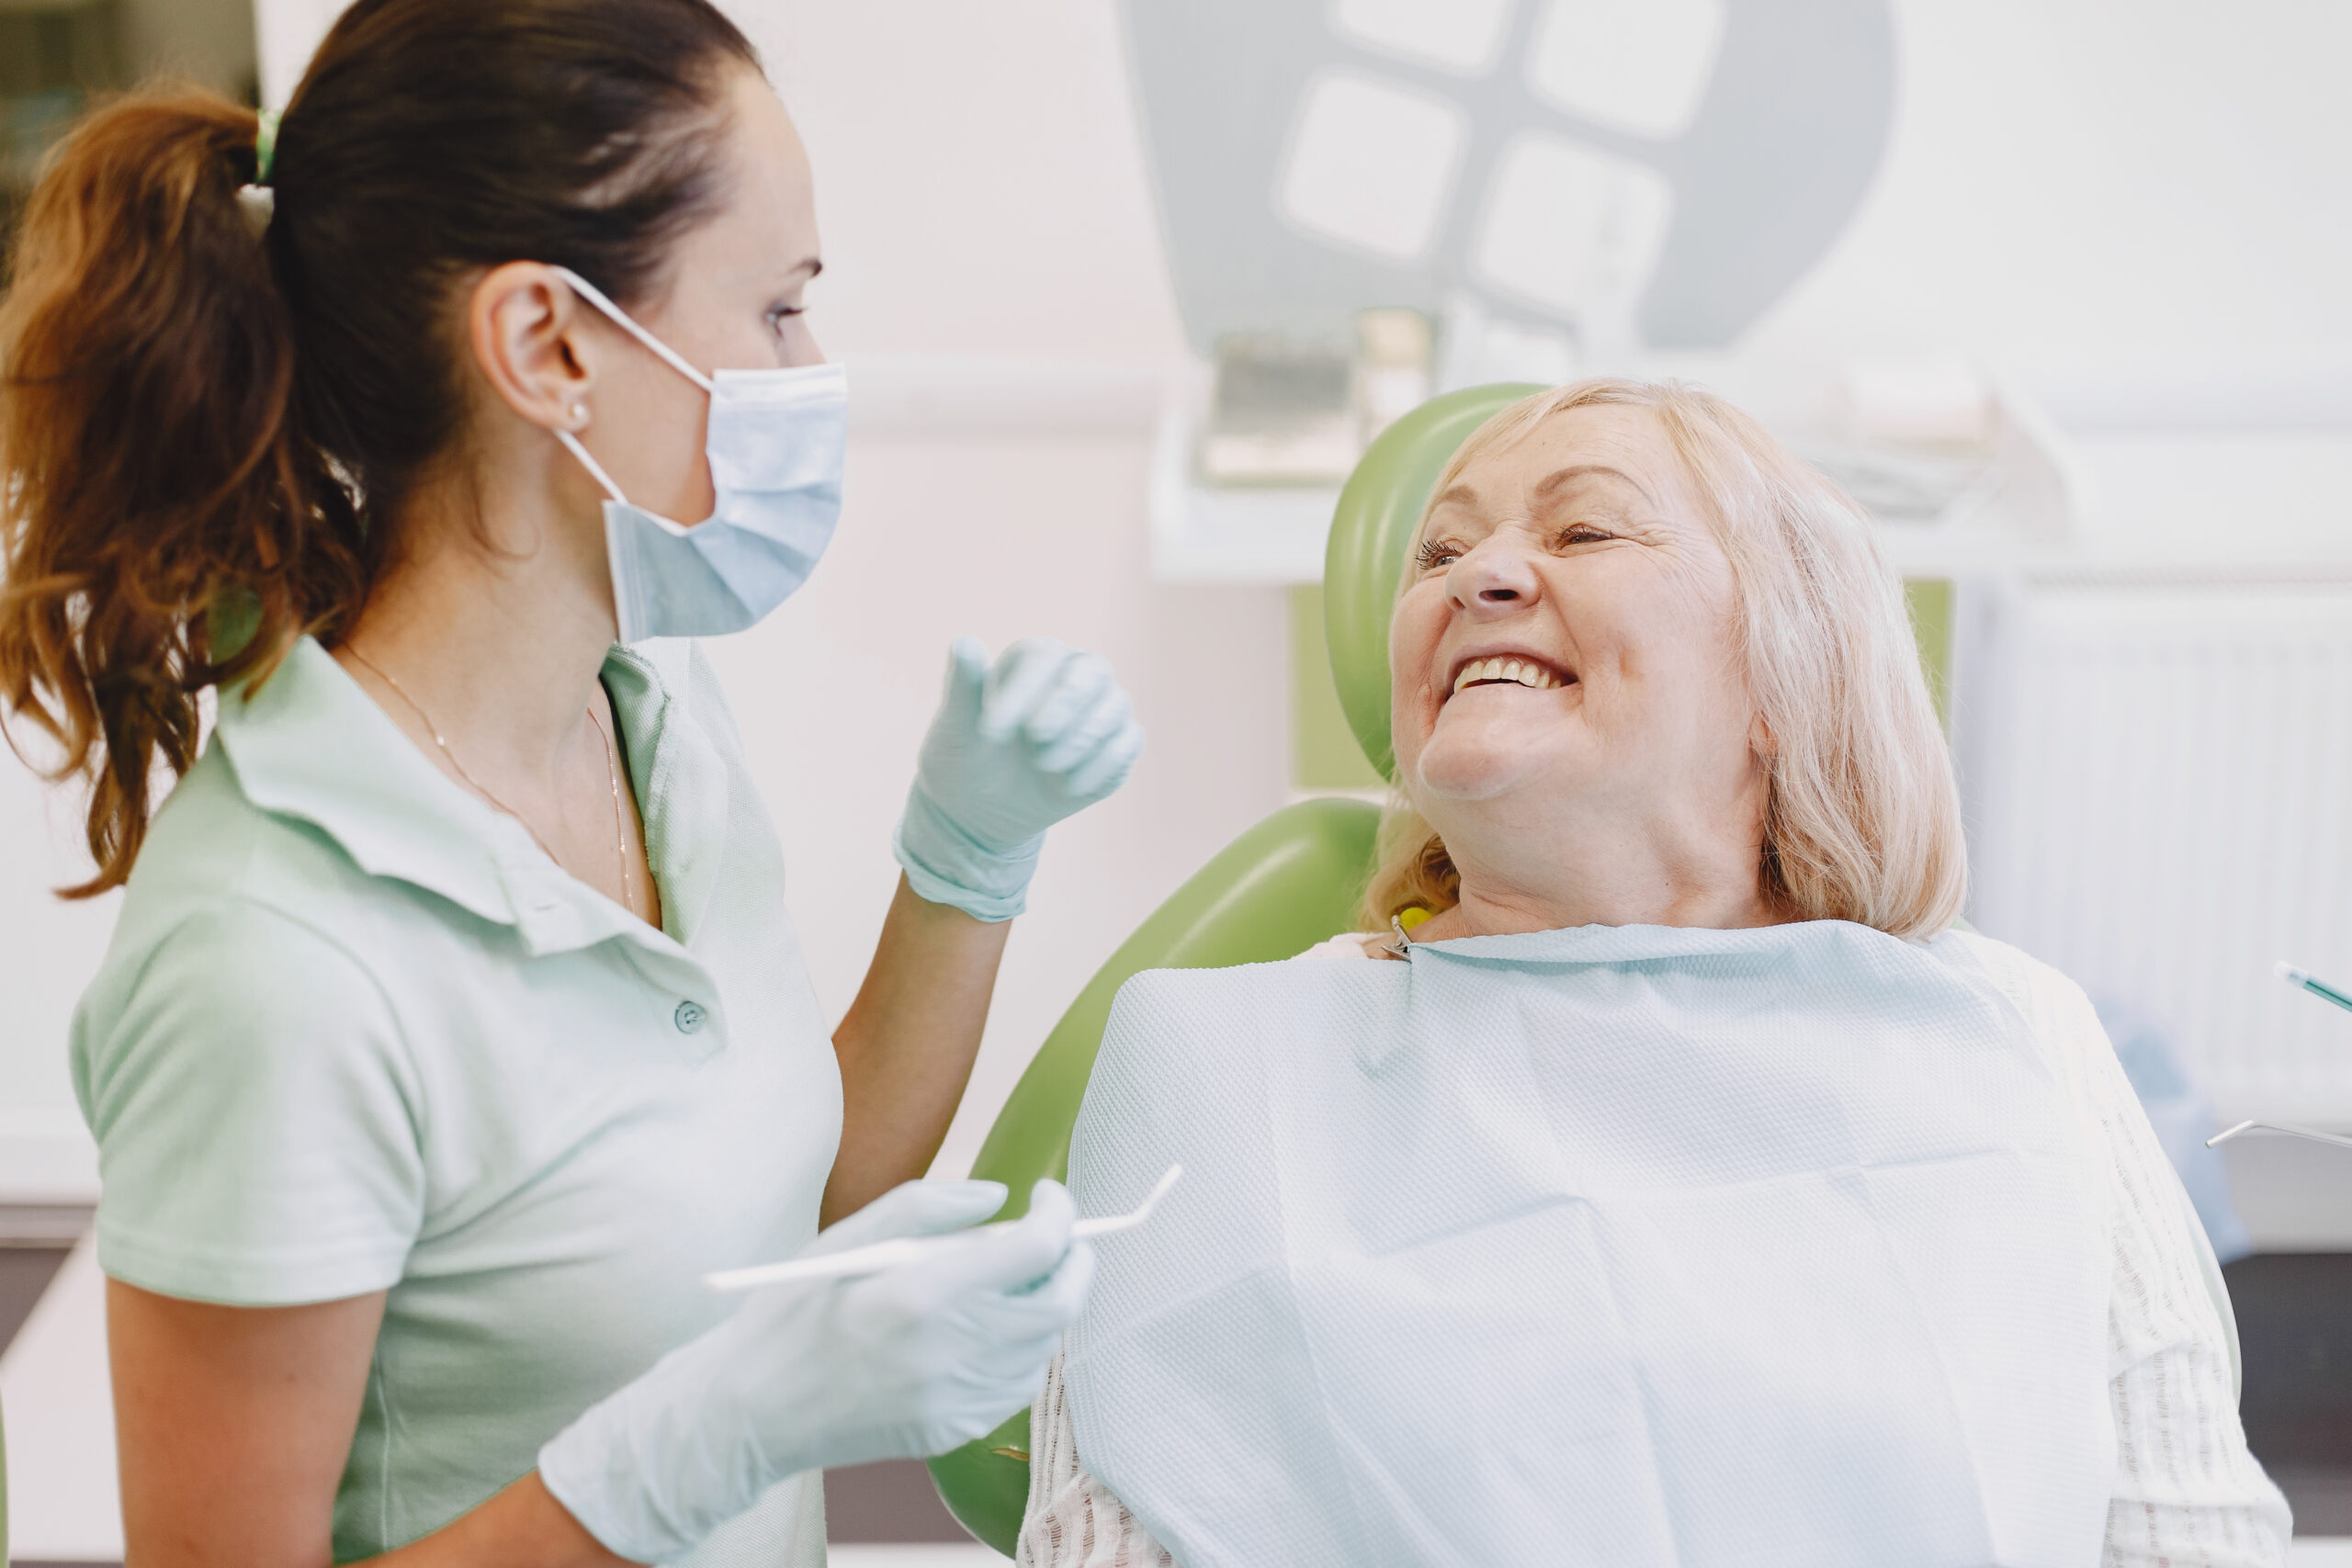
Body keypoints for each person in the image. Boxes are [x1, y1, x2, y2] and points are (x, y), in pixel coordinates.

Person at [0, 2, 1141, 1563]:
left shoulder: (644, 711)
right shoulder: (274, 961)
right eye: (780, 310)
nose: (812, 371)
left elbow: (780, 1205)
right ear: (547, 345)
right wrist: (694, 1449)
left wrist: (966, 860)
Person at [1015, 379, 2290, 1568]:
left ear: (1785, 674)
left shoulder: (2009, 1034)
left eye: (1586, 532)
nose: (1478, 578)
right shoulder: (1220, 1058)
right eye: (1439, 554)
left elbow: (2189, 1535)